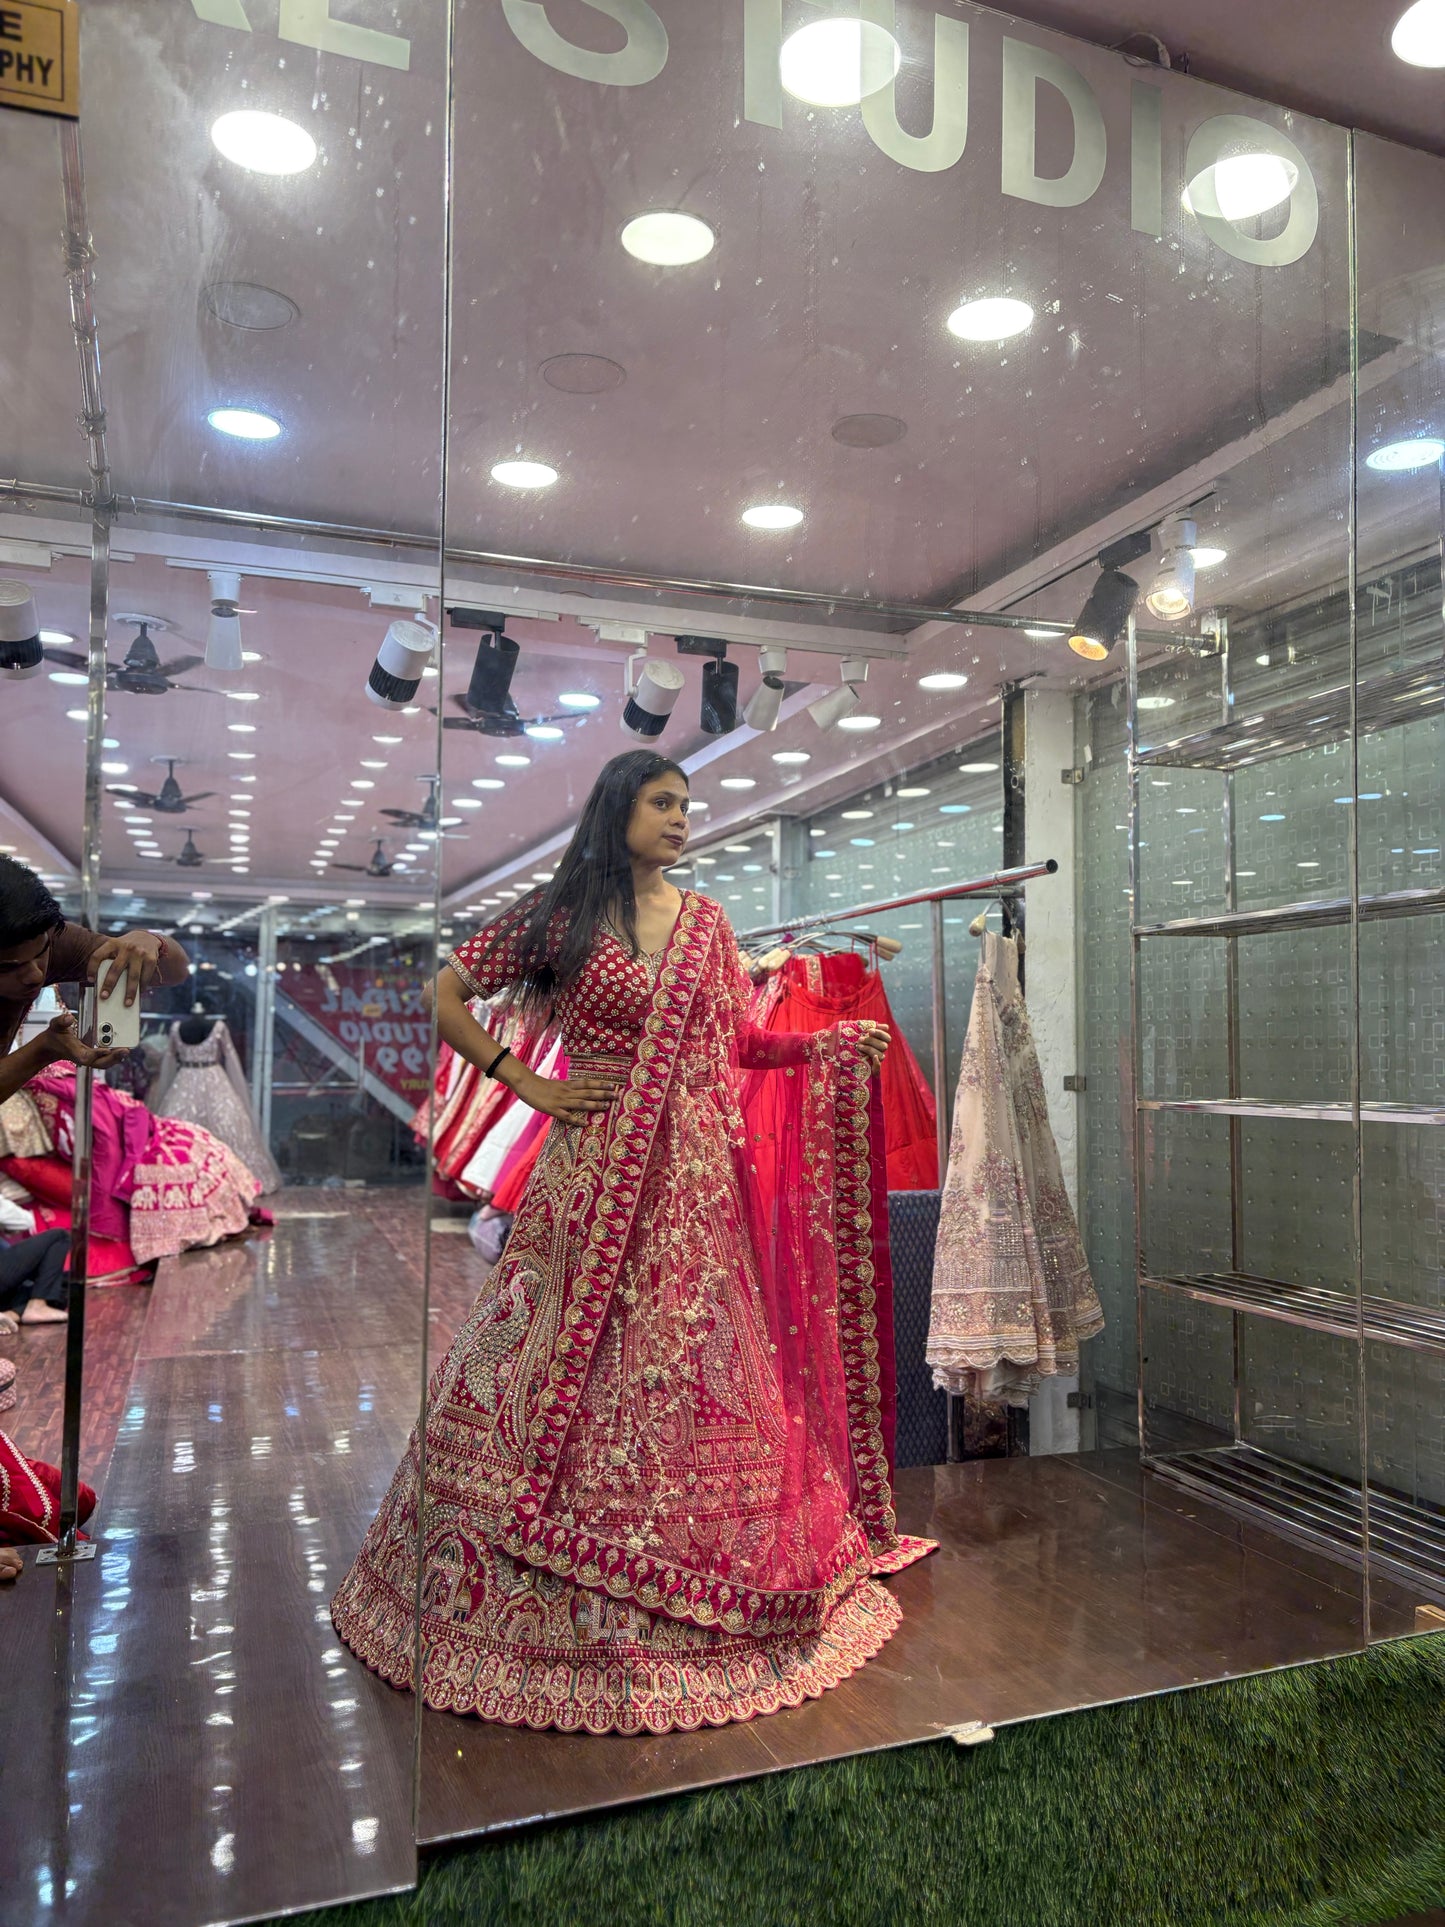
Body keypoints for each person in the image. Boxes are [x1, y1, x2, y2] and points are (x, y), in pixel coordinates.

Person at [334, 750, 934, 1737]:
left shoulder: (706, 922)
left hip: (696, 1187)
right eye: (662, 802)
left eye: (686, 804)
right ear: (618, 809)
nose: (680, 819)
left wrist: (824, 1046)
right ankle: (524, 1586)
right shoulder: (558, 918)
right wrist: (527, 1085)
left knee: (685, 1367)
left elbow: (738, 1042)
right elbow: (441, 994)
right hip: (593, 1173)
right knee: (553, 1356)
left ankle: (689, 1565)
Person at [0, 856, 191, 1104]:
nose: (35, 974)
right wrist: (43, 1049)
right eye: (7, 967)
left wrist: (151, 943)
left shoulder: (49, 936)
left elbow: (177, 970)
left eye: (41, 953)